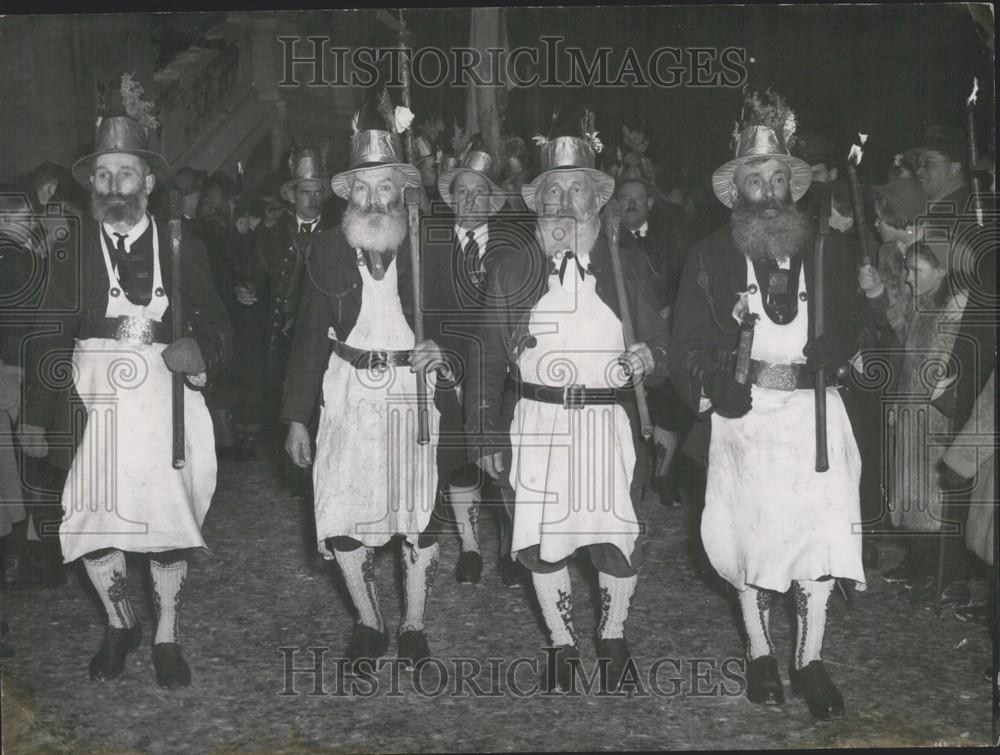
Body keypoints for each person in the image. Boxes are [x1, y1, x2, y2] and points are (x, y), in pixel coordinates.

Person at [18, 89, 232, 688]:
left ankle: (167, 634)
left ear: (147, 182)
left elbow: (219, 325)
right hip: (95, 406)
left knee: (165, 521)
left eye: (126, 174)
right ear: (94, 185)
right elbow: (45, 336)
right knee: (91, 520)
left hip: (164, 404)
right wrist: (37, 414)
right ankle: (119, 622)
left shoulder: (181, 242)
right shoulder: (74, 249)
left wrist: (203, 352)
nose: (115, 186)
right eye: (104, 175)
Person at [671, 89, 866, 719]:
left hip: (815, 413)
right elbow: (687, 345)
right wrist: (713, 381)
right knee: (752, 538)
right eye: (757, 179)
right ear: (737, 190)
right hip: (745, 416)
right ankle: (758, 650)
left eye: (781, 178)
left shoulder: (826, 250)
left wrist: (841, 341)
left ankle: (809, 659)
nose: (771, 190)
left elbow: (854, 320)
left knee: (819, 536)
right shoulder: (707, 256)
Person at [465, 111, 671, 693]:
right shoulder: (510, 268)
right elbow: (483, 357)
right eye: (552, 191)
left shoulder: (626, 266)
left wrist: (650, 357)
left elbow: (662, 344)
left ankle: (613, 636)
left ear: (595, 200)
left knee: (616, 537)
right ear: (538, 204)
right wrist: (482, 437)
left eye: (576, 189)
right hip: (537, 422)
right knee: (541, 538)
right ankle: (560, 642)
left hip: (608, 424)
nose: (563, 201)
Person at [281, 95, 461, 671]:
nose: (374, 198)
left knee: (415, 511)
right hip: (348, 391)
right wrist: (295, 417)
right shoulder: (328, 250)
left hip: (410, 393)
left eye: (385, 187)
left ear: (401, 190)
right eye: (363, 188)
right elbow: (309, 335)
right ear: (348, 195)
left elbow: (461, 318)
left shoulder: (426, 243)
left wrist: (446, 349)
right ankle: (366, 618)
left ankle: (413, 621)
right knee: (339, 509)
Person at [429, 137, 525, 586]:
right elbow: (423, 309)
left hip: (502, 373)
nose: (468, 201)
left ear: (492, 201)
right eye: (461, 192)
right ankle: (468, 545)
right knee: (459, 460)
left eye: (478, 193)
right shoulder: (429, 249)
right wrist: (444, 363)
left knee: (505, 461)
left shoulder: (513, 250)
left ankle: (511, 544)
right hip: (450, 371)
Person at [613, 169, 693, 506]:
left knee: (668, 410)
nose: (631, 204)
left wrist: (671, 311)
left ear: (649, 202)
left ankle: (665, 475)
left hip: (665, 335)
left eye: (638, 198)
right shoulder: (608, 241)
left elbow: (685, 282)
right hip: (624, 338)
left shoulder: (672, 238)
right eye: (624, 198)